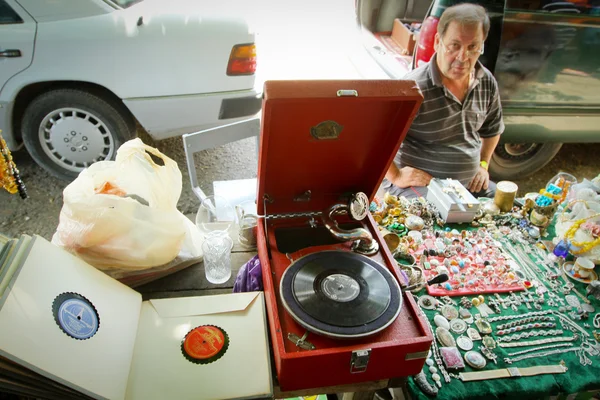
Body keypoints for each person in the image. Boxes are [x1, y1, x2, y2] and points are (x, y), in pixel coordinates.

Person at [381, 3, 504, 199]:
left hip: (469, 183)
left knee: (508, 207)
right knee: (440, 224)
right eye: (454, 46)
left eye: (473, 47)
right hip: (422, 186)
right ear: (438, 42)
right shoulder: (413, 87)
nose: (463, 57)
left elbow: (492, 130)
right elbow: (376, 140)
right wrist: (396, 176)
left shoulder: (486, 81)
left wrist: (483, 165)